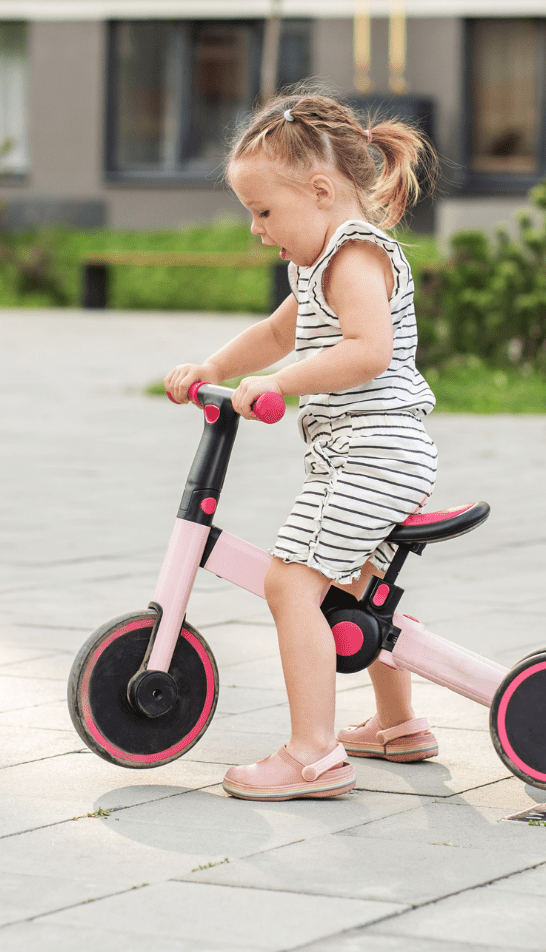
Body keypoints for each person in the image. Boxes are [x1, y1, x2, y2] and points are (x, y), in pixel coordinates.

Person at [164, 91, 440, 801]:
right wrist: (214, 368)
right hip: (368, 454)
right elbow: (274, 334)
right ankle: (399, 724)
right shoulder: (315, 265)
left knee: (290, 583)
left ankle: (313, 754)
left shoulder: (355, 256)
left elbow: (369, 349)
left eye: (263, 211)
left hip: (375, 454)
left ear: (320, 191)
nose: (257, 230)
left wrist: (281, 385)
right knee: (356, 589)